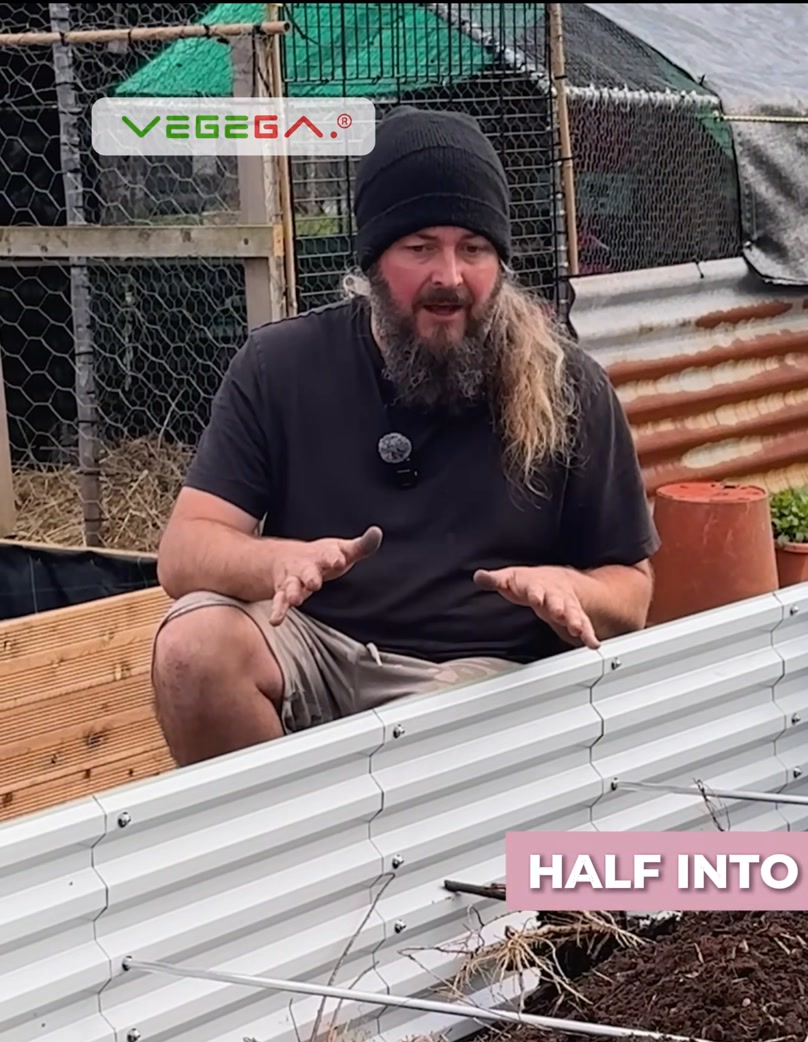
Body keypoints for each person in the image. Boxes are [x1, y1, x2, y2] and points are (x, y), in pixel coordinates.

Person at [150, 106, 657, 766]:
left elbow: (634, 588)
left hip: (476, 676)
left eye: (473, 249)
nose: (449, 275)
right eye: (420, 248)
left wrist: (569, 587)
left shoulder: (568, 387)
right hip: (317, 649)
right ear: (372, 264)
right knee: (193, 649)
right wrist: (276, 561)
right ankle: (285, 852)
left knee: (422, 735)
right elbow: (183, 552)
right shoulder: (281, 366)